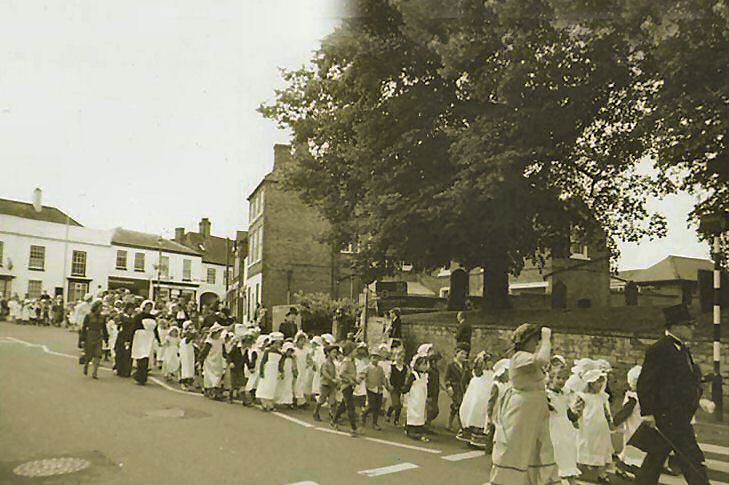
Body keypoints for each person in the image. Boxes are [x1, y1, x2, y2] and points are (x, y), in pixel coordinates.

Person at [635, 303, 709, 485]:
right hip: (665, 416)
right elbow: (646, 383)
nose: (692, 328)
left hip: (680, 416)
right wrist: (648, 412)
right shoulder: (658, 349)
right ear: (675, 327)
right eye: (688, 325)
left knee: (683, 459)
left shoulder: (683, 349)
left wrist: (699, 397)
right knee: (672, 459)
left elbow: (685, 381)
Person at [489, 324, 560, 485]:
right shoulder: (519, 357)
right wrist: (547, 339)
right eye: (535, 339)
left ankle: (540, 480)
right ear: (525, 340)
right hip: (522, 408)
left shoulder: (528, 356)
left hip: (536, 407)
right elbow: (542, 359)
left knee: (541, 446)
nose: (537, 343)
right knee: (517, 447)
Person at [548, 363, 583, 485]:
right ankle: (554, 479)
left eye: (564, 378)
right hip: (552, 427)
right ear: (551, 378)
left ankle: (572, 479)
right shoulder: (547, 395)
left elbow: (569, 414)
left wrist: (577, 414)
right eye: (558, 378)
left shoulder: (564, 395)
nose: (561, 381)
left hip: (565, 428)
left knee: (568, 451)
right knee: (555, 452)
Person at [577, 370, 613, 482]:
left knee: (601, 448)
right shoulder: (583, 397)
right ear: (591, 383)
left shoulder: (602, 397)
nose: (601, 385)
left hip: (601, 428)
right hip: (588, 427)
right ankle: (578, 470)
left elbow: (606, 411)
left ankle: (602, 473)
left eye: (602, 382)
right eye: (598, 382)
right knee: (586, 446)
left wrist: (610, 421)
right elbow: (577, 410)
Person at [613, 365, 645, 480]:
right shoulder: (633, 398)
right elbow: (625, 412)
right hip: (633, 426)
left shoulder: (638, 396)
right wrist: (616, 421)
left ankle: (622, 468)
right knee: (632, 448)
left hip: (638, 424)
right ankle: (631, 469)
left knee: (632, 448)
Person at [458, 351, 493, 448]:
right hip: (478, 398)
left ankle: (477, 440)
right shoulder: (478, 376)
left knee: (481, 416)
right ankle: (470, 439)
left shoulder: (491, 374)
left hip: (485, 397)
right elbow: (475, 389)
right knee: (473, 413)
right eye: (488, 362)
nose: (490, 364)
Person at [332, 341, 361, 436]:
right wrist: (350, 379)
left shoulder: (352, 361)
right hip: (346, 387)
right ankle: (353, 428)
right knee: (350, 407)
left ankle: (334, 420)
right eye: (355, 350)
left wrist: (355, 380)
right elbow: (341, 374)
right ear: (350, 351)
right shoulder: (347, 362)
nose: (356, 352)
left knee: (343, 405)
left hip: (350, 386)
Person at [131, 300, 160, 385]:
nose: (149, 308)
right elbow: (134, 328)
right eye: (147, 306)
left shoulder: (153, 317)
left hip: (149, 337)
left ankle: (143, 376)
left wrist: (158, 339)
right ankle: (139, 375)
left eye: (150, 306)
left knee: (147, 357)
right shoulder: (138, 316)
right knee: (141, 357)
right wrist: (130, 339)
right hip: (140, 337)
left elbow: (155, 329)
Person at [403, 354, 430, 442]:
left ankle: (418, 429)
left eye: (425, 364)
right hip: (414, 397)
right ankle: (410, 429)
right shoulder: (414, 375)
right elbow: (408, 385)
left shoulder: (425, 376)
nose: (424, 367)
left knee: (420, 413)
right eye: (422, 364)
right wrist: (403, 391)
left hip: (421, 398)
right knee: (413, 412)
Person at [79, 300, 109, 379]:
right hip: (90, 335)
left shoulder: (102, 317)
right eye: (100, 307)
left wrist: (106, 338)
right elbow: (84, 328)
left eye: (101, 307)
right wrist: (82, 339)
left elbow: (104, 328)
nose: (101, 309)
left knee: (98, 354)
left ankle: (95, 372)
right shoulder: (88, 316)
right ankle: (86, 365)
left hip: (98, 335)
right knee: (89, 354)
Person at [445, 343, 470, 432]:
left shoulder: (466, 366)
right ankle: (461, 426)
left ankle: (450, 423)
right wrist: (449, 387)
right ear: (456, 353)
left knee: (457, 406)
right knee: (458, 406)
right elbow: (447, 378)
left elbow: (468, 377)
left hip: (463, 389)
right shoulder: (451, 365)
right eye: (462, 354)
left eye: (465, 354)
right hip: (455, 389)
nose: (464, 356)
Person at [258, 332, 284, 411]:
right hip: (268, 370)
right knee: (265, 386)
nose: (277, 345)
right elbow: (263, 362)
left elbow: (280, 364)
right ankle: (264, 403)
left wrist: (281, 372)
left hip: (274, 371)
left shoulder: (280, 353)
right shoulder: (267, 351)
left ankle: (270, 403)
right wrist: (261, 372)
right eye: (275, 343)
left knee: (272, 387)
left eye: (278, 344)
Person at [313, 344, 340, 423]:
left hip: (332, 385)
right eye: (333, 352)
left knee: (333, 401)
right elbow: (324, 372)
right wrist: (332, 379)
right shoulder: (325, 363)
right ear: (328, 353)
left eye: (336, 353)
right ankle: (316, 412)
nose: (335, 354)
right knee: (322, 399)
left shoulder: (333, 363)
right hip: (325, 384)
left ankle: (333, 416)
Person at [362, 348, 387, 430]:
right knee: (371, 405)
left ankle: (375, 423)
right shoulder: (367, 367)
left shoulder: (380, 368)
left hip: (379, 389)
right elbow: (363, 376)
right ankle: (363, 415)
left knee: (378, 407)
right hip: (370, 388)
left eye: (377, 358)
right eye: (374, 357)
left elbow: (383, 378)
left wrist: (386, 385)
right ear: (370, 358)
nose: (375, 359)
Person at [114, 303, 136, 377]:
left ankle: (127, 371)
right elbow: (117, 325)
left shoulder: (134, 318)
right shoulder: (122, 316)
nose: (131, 310)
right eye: (130, 309)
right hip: (122, 336)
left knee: (128, 354)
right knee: (120, 353)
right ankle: (119, 369)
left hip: (130, 337)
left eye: (132, 309)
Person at [386, 352, 407, 426]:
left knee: (399, 404)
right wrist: (389, 385)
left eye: (402, 357)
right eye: (399, 356)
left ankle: (396, 419)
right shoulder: (391, 367)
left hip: (400, 387)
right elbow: (388, 377)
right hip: (393, 387)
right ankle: (389, 414)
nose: (400, 358)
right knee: (396, 403)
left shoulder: (405, 368)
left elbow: (406, 378)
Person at [179, 321, 197, 391]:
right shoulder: (184, 340)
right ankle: (184, 383)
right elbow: (190, 337)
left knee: (190, 368)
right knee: (186, 368)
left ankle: (189, 383)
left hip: (190, 355)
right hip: (185, 357)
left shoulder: (190, 341)